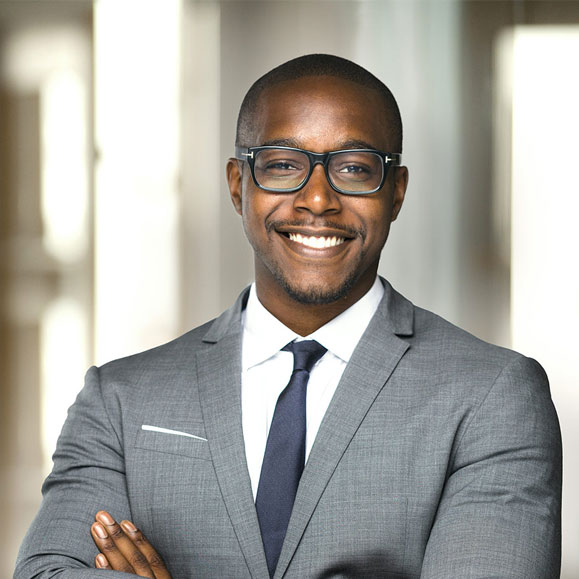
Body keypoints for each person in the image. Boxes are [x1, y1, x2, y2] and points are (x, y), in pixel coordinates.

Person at [15, 54, 562, 579]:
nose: (317, 200)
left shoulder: (492, 396)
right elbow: (46, 572)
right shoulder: (119, 399)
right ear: (238, 185)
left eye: (354, 168)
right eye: (282, 165)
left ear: (395, 193)